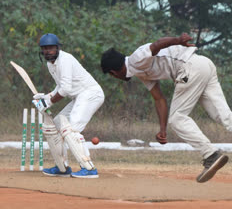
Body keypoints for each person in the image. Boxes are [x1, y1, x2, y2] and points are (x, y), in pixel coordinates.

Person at [100, 33, 230, 183]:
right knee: (222, 116)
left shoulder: (136, 59)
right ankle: (211, 154)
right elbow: (159, 98)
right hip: (203, 65)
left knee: (177, 119)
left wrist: (178, 40)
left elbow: (157, 44)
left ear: (113, 73)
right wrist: (162, 129)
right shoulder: (140, 72)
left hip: (189, 68)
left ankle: (211, 154)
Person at [32, 33, 105, 178]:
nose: (48, 51)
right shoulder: (50, 64)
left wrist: (48, 102)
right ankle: (62, 167)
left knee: (71, 129)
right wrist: (46, 97)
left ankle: (89, 168)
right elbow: (59, 86)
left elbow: (65, 90)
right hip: (78, 96)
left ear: (58, 48)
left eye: (51, 48)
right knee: (57, 124)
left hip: (90, 94)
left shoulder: (65, 59)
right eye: (45, 48)